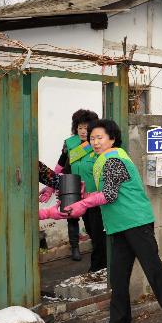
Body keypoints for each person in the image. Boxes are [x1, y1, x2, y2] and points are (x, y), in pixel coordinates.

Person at [49, 118, 162, 323]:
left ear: (112, 139)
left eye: (100, 137)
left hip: (136, 222)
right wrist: (73, 195)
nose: (95, 142)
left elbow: (109, 195)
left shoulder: (114, 159)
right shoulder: (100, 159)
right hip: (118, 224)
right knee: (119, 274)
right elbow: (95, 191)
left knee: (153, 270)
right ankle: (120, 317)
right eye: (92, 138)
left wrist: (82, 203)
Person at [40, 110, 100, 262]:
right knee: (71, 216)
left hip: (92, 190)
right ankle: (75, 247)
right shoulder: (70, 143)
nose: (82, 131)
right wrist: (52, 186)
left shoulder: (97, 143)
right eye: (79, 127)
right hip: (71, 185)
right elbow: (61, 165)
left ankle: (97, 249)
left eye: (86, 128)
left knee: (93, 223)